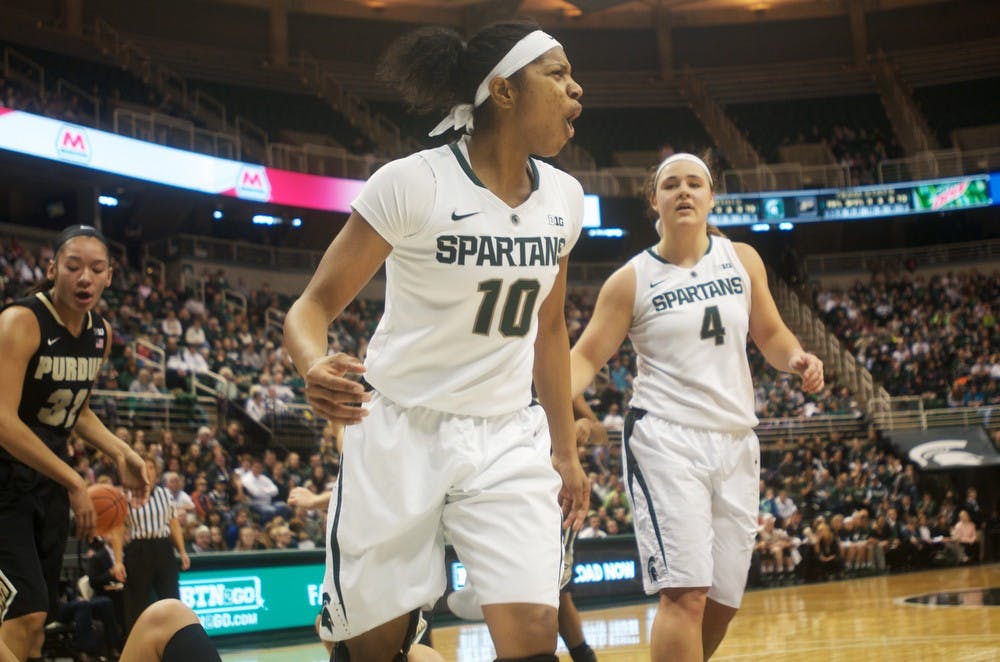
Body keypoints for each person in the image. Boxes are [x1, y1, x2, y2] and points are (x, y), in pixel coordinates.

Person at [282, 19, 588, 662]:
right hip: (401, 431)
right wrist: (313, 364)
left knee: (535, 634)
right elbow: (311, 307)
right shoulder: (412, 182)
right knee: (373, 649)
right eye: (557, 74)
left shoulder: (566, 197)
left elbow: (551, 329)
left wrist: (565, 450)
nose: (576, 89)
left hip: (506, 433)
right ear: (502, 90)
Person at [568, 153, 824, 662]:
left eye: (694, 184)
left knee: (723, 601)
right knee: (685, 594)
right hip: (665, 437)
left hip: (734, 439)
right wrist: (549, 407)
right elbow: (586, 356)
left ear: (711, 198)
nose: (683, 192)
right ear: (654, 202)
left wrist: (796, 357)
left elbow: (770, 334)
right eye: (671, 185)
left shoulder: (742, 259)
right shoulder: (631, 279)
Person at [0, 224, 149, 661]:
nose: (84, 277)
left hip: (45, 481)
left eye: (96, 269)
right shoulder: (20, 321)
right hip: (5, 478)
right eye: (73, 266)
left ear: (109, 276)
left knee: (36, 627)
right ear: (52, 270)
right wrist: (74, 480)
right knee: (20, 617)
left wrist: (122, 450)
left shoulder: (99, 335)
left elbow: (75, 410)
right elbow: (3, 421)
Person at [122, 458, 190, 634]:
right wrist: (116, 559)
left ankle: (175, 643)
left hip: (163, 547)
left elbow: (173, 524)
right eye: (144, 467)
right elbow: (117, 529)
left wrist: (182, 551)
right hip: (137, 549)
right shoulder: (126, 496)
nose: (148, 470)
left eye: (151, 467)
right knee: (137, 604)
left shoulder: (164, 494)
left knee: (172, 600)